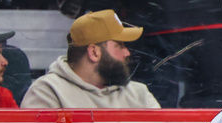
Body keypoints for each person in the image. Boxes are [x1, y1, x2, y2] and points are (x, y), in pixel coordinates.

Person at [21, 9, 159, 108]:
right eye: (119, 45)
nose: (127, 53)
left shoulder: (138, 93)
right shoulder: (48, 92)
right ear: (94, 52)